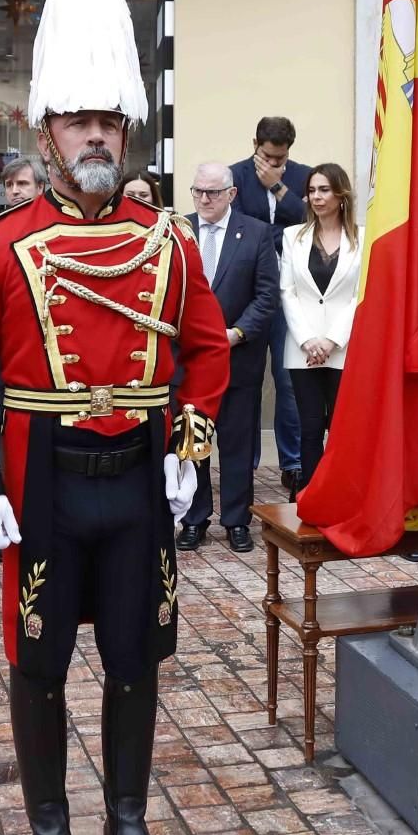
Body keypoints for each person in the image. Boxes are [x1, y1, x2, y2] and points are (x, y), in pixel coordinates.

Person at [0, 0, 227, 835]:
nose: (96, 133)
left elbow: (208, 351)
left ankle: (130, 817)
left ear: (128, 128)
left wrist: (188, 449)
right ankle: (51, 824)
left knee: (138, 659)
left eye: (110, 117)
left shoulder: (170, 240)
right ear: (45, 130)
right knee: (43, 658)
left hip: (138, 476)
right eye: (77, 117)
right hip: (46, 480)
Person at [178, 162, 278, 553]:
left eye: (213, 193)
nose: (204, 199)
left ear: (231, 194)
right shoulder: (179, 231)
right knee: (192, 442)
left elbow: (267, 295)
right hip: (189, 361)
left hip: (238, 358)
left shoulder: (256, 233)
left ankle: (237, 520)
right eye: (198, 191)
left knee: (237, 444)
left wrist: (235, 334)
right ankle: (194, 518)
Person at [232, 117, 312, 495]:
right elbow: (238, 228)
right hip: (248, 294)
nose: (274, 163)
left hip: (291, 295)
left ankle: (292, 463)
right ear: (255, 145)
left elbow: (311, 220)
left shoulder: (302, 177)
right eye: (268, 157)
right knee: (246, 383)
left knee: (288, 382)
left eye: (281, 158)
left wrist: (278, 187)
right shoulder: (234, 177)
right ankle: (243, 462)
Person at [281, 162, 360, 493]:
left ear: (341, 194)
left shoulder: (363, 237)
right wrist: (309, 340)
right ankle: (311, 494)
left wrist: (331, 340)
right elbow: (288, 290)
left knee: (344, 427)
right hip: (303, 350)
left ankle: (343, 492)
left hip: (344, 347)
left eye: (324, 189)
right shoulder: (292, 236)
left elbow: (360, 294)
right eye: (311, 190)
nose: (316, 196)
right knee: (310, 427)